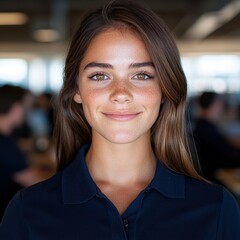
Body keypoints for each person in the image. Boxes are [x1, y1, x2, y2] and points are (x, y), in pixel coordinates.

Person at [1, 1, 240, 239]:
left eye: (142, 75)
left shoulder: (217, 209)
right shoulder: (27, 212)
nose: (121, 93)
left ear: (165, 89)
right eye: (100, 75)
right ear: (76, 89)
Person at [193, 91, 240, 183]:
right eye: (220, 103)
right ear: (214, 105)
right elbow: (226, 160)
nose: (222, 107)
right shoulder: (207, 130)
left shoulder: (201, 127)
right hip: (215, 179)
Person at [0, 85, 30, 221]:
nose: (27, 111)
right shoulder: (4, 143)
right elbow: (30, 179)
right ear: (17, 108)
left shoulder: (7, 139)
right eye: (26, 106)